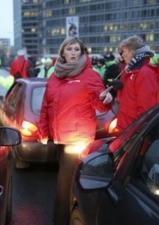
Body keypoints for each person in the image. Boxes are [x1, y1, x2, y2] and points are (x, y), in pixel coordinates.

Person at [38, 37, 112, 225]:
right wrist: (43, 133)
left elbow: (101, 106)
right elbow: (46, 106)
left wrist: (105, 99)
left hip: (77, 137)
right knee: (67, 179)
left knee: (65, 182)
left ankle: (62, 219)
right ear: (62, 52)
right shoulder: (55, 76)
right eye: (69, 49)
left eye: (76, 49)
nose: (73, 52)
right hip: (58, 137)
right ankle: (75, 212)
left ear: (82, 52)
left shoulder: (90, 75)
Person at [114, 35, 159, 130]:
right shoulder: (131, 71)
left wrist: (134, 133)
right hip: (125, 126)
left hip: (132, 130)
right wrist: (121, 88)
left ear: (132, 51)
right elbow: (128, 100)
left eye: (124, 51)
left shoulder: (145, 73)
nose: (122, 55)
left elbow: (146, 110)